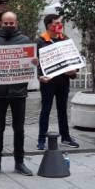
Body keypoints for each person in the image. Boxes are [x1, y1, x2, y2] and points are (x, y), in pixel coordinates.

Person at [0, 11, 35, 177]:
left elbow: (31, 64)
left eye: (11, 23)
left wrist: (34, 62)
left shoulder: (25, 41)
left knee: (19, 129)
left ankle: (19, 162)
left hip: (19, 92)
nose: (8, 26)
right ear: (1, 23)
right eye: (6, 23)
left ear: (16, 23)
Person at [36, 15, 80, 150]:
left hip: (63, 81)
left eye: (60, 23)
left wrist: (74, 71)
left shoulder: (65, 39)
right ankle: (41, 139)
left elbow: (72, 59)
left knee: (62, 110)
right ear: (49, 25)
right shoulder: (40, 41)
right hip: (48, 82)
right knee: (46, 110)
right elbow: (36, 63)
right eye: (57, 23)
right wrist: (39, 76)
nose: (60, 25)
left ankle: (65, 137)